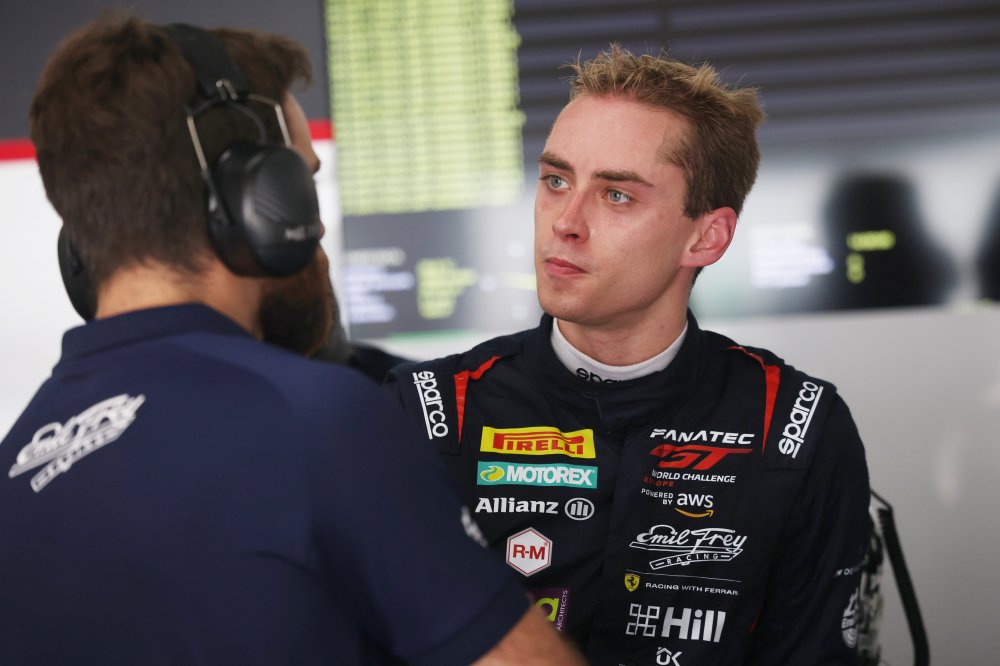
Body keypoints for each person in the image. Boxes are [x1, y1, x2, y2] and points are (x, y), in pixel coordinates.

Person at [0, 13, 584, 666]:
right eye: (301, 182)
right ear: (258, 200)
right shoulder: (317, 418)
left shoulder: (14, 466)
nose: (317, 228)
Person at [386, 45, 871, 664]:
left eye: (616, 195)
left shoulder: (796, 427)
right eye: (556, 181)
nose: (565, 221)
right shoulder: (428, 412)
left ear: (707, 236)